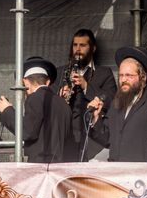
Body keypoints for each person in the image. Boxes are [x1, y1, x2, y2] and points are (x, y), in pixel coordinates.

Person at [89, 46, 147, 162]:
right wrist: (96, 119)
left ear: (143, 77)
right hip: (117, 171)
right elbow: (108, 139)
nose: (123, 80)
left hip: (143, 174)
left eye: (129, 76)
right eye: (121, 75)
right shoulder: (117, 102)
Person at [50, 29, 117, 161]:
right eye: (75, 45)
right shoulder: (60, 72)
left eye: (83, 45)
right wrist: (59, 96)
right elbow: (47, 102)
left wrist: (86, 86)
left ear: (93, 48)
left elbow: (112, 100)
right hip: (64, 140)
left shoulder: (104, 73)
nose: (78, 49)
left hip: (92, 141)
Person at [0, 57, 72, 163]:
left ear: (25, 82)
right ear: (48, 82)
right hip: (61, 165)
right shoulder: (63, 104)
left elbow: (28, 132)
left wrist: (7, 110)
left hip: (40, 166)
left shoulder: (35, 98)